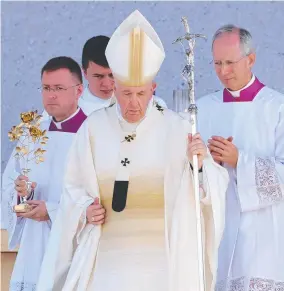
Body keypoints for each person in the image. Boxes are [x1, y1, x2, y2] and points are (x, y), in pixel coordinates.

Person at [37, 10, 228, 291]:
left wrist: (200, 165)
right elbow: (72, 190)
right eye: (127, 94)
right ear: (114, 88)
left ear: (153, 88)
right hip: (106, 264)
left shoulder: (177, 130)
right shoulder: (93, 129)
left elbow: (211, 191)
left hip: (161, 266)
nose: (134, 103)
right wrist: (84, 211)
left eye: (141, 93)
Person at [2, 56, 105, 291]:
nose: (51, 95)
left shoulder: (94, 133)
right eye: (46, 88)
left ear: (79, 90)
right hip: (34, 244)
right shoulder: (31, 134)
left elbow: (100, 199)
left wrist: (50, 211)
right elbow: (9, 193)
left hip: (74, 244)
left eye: (59, 88)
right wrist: (21, 198)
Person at [196, 25, 284, 289]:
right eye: (217, 63)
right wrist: (202, 165)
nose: (223, 71)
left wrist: (239, 161)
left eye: (231, 63)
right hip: (217, 230)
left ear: (251, 59)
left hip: (264, 234)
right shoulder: (202, 109)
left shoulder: (277, 108)